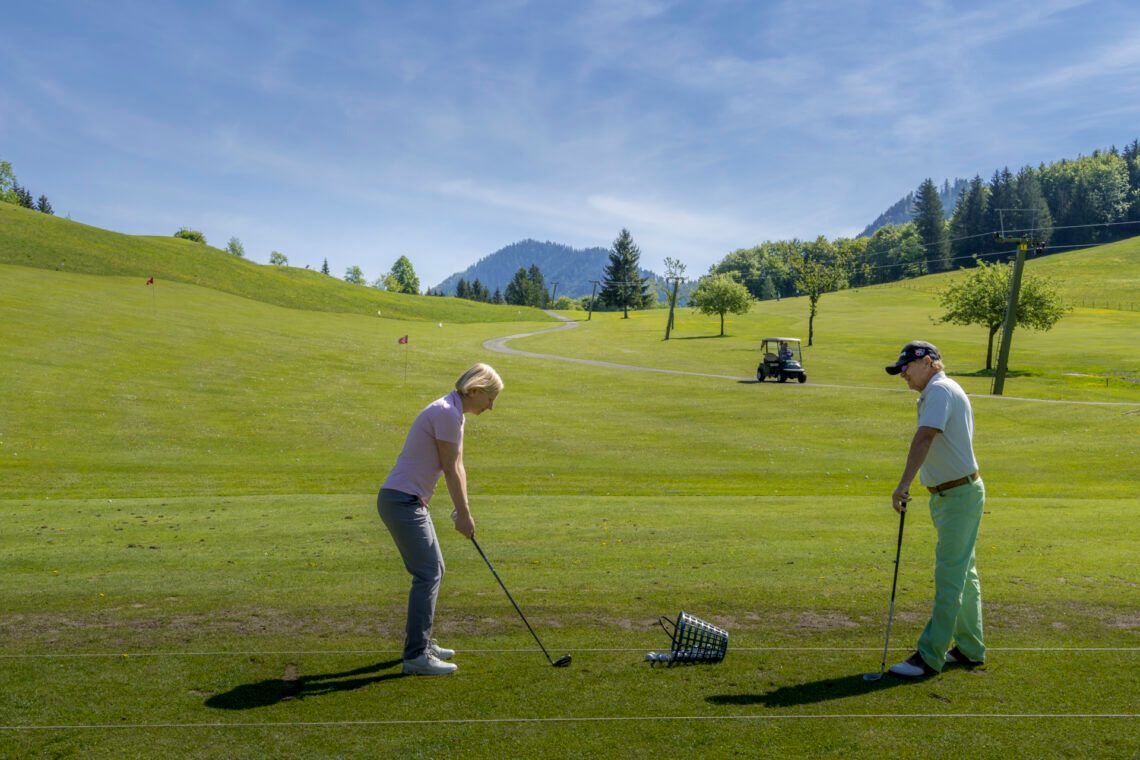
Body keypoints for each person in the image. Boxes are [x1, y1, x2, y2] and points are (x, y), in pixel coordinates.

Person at [378, 363, 503, 676]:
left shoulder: (453, 412)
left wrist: (463, 511)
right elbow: (450, 469)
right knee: (428, 573)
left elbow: (457, 466)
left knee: (434, 570)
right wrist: (464, 514)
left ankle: (422, 643)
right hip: (401, 501)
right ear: (475, 390)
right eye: (490, 398)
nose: (491, 406)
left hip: (409, 501)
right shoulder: (446, 413)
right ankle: (416, 656)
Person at [884, 341, 986, 678]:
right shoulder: (937, 391)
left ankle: (929, 656)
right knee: (964, 575)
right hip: (954, 495)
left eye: (906, 368)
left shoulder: (940, 390)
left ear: (928, 362)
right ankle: (970, 647)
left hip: (958, 496)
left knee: (950, 577)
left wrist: (903, 484)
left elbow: (925, 437)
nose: (903, 374)